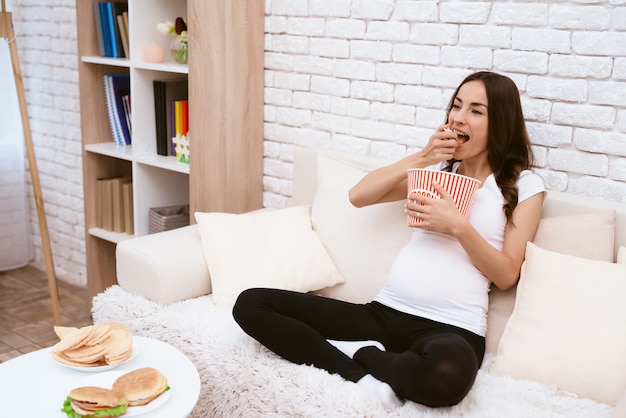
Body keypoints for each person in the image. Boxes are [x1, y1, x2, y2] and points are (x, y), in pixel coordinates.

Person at [232, 71, 545, 409]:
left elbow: (507, 274)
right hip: (383, 314)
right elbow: (358, 195)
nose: (458, 117)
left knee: (445, 377)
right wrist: (424, 157)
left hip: (453, 328)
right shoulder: (436, 174)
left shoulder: (523, 186)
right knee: (251, 304)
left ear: (500, 121)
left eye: (475, 110)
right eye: (456, 106)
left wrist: (458, 226)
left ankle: (365, 353)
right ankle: (357, 373)